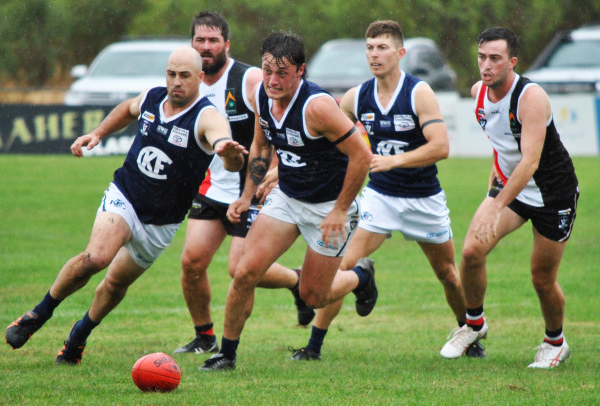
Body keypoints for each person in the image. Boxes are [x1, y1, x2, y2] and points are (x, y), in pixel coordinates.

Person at [5, 46, 247, 365]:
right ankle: (38, 314)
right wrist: (97, 133)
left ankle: (79, 335)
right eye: (171, 74)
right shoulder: (152, 97)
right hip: (126, 195)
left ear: (200, 78)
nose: (176, 82)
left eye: (184, 76)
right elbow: (128, 109)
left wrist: (229, 154)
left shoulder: (208, 116)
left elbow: (227, 151)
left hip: (161, 222)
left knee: (116, 283)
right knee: (96, 257)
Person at [289, 20, 484, 362]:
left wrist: (395, 161)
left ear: (400, 53)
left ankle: (469, 335)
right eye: (369, 48)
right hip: (379, 197)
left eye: (382, 47)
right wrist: (281, 169)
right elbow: (326, 138)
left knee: (447, 274)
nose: (374, 55)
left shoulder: (418, 92)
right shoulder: (356, 96)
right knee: (342, 266)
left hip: (424, 198)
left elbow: (441, 146)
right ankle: (314, 346)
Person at [199, 31, 374, 371]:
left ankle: (361, 277)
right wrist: (246, 196)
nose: (273, 80)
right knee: (244, 272)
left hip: (328, 206)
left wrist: (340, 210)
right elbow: (262, 146)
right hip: (288, 197)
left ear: (301, 71)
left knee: (313, 296)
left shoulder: (317, 107)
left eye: (282, 73)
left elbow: (362, 156)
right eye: (267, 71)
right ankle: (226, 355)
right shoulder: (260, 96)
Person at [173, 12, 314, 356]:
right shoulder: (186, 82)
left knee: (240, 268)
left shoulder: (249, 79)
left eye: (213, 40)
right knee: (191, 263)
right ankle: (204, 336)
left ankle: (296, 282)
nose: (206, 47)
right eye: (200, 40)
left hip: (249, 187)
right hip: (211, 186)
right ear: (191, 43)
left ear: (227, 44)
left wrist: (275, 171)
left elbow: (276, 124)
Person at [440, 27, 579, 368]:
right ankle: (474, 324)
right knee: (471, 252)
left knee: (541, 277)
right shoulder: (478, 92)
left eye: (495, 58)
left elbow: (530, 161)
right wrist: (495, 178)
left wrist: (495, 205)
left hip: (552, 195)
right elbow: (500, 139)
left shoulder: (531, 97)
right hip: (511, 188)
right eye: (481, 57)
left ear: (512, 61)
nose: (486, 65)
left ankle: (555, 342)